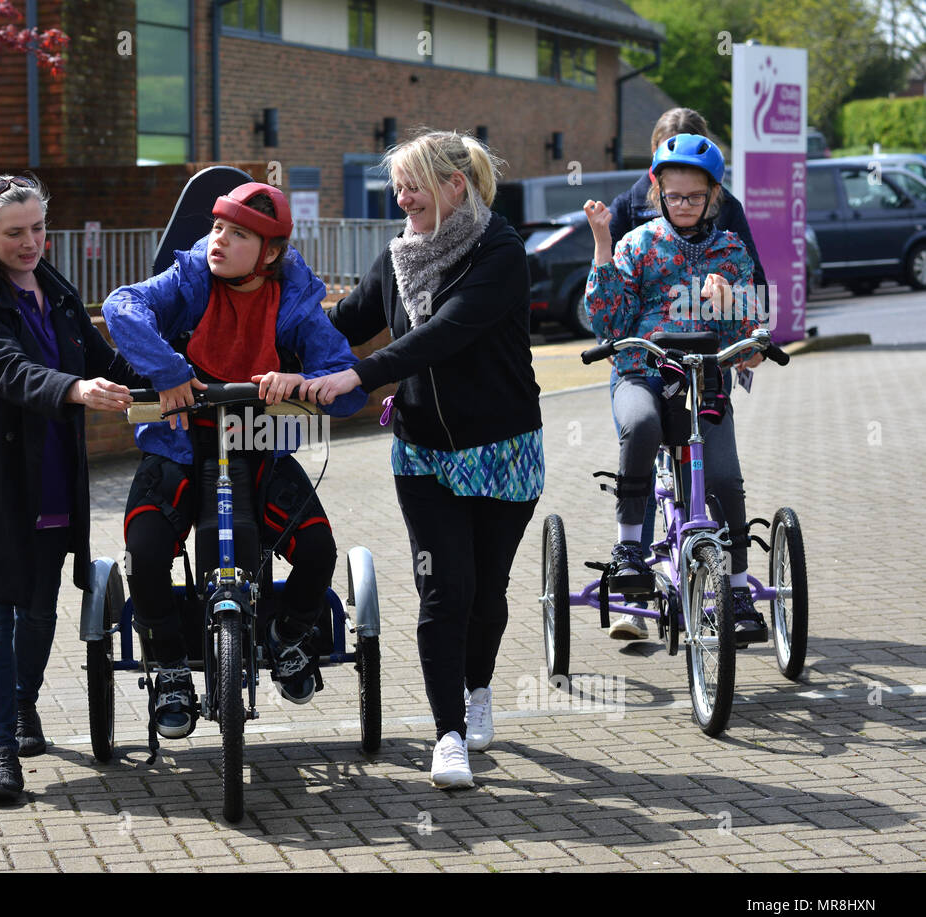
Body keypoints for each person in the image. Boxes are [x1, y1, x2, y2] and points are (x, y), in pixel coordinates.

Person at [302, 130, 544, 790]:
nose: (399, 195)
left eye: (412, 183)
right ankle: (448, 735)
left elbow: (446, 333)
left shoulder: (499, 252)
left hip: (504, 449)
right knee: (445, 590)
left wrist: (360, 376)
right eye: (397, 184)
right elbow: (343, 322)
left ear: (453, 188)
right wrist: (268, 325)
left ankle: (480, 687)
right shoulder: (398, 256)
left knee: (486, 591)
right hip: (423, 454)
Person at [102, 183, 367, 740]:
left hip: (257, 438)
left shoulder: (294, 296)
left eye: (238, 234)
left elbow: (346, 385)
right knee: (145, 552)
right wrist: (171, 371)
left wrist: (304, 381)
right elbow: (120, 306)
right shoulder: (189, 277)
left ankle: (288, 638)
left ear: (269, 253)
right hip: (179, 440)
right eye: (218, 227)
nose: (218, 240)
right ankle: (172, 669)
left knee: (318, 551)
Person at [0, 174, 144, 805]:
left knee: (39, 607)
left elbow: (106, 360)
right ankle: (1, 752)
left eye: (38, 228)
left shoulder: (58, 293)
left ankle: (22, 705)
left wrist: (175, 384)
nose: (30, 242)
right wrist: (73, 391)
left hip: (46, 474)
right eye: (15, 232)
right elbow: (10, 372)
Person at [583, 134, 768, 651]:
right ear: (657, 191)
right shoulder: (638, 244)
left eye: (694, 197)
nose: (683, 206)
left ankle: (735, 592)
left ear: (714, 196)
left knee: (725, 480)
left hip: (705, 379)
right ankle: (628, 551)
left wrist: (733, 303)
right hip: (641, 369)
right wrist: (601, 243)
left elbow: (750, 347)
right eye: (673, 196)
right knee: (640, 426)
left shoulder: (731, 252)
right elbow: (607, 320)